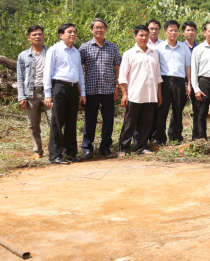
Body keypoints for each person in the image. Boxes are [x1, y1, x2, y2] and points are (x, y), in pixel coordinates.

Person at [43, 23, 86, 164]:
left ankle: (70, 153)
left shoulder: (76, 52)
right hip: (59, 87)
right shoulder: (54, 50)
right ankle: (55, 154)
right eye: (69, 32)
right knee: (57, 122)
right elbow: (47, 73)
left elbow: (80, 73)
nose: (73, 34)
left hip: (73, 89)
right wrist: (48, 94)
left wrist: (82, 93)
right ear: (61, 35)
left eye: (74, 32)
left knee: (71, 121)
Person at [79, 18, 122, 159]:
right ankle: (87, 148)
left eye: (101, 27)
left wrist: (117, 87)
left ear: (106, 29)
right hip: (91, 90)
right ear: (91, 30)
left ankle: (105, 147)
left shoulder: (113, 47)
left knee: (108, 120)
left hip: (109, 89)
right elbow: (79, 69)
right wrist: (81, 91)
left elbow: (117, 68)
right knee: (90, 120)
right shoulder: (84, 48)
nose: (99, 29)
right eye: (96, 27)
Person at [118, 25, 162, 155]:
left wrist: (159, 94)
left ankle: (141, 147)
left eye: (146, 35)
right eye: (141, 35)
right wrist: (124, 95)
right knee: (129, 123)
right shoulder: (129, 54)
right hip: (134, 95)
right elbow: (122, 77)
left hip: (150, 95)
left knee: (146, 123)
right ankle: (123, 148)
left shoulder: (154, 53)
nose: (144, 38)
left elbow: (158, 76)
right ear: (135, 36)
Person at [154, 20, 192, 145]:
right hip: (164, 81)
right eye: (171, 30)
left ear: (179, 32)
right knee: (162, 111)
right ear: (165, 32)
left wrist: (189, 84)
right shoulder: (158, 48)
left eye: (175, 30)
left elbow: (188, 66)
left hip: (180, 82)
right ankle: (160, 138)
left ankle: (176, 137)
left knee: (178, 111)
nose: (173, 32)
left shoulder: (184, 48)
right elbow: (156, 68)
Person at [17, 25, 51, 160]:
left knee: (54, 121)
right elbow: (20, 77)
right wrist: (22, 96)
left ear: (43, 36)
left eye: (40, 34)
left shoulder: (50, 52)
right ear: (29, 37)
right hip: (32, 94)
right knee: (33, 124)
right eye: (34, 34)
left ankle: (55, 150)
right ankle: (37, 151)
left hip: (49, 93)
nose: (37, 36)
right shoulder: (23, 56)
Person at [182, 20, 200, 140]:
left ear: (196, 32)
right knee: (178, 109)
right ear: (183, 32)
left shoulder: (200, 48)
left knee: (198, 109)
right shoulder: (180, 47)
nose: (190, 32)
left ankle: (197, 135)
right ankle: (175, 136)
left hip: (197, 82)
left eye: (192, 30)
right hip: (182, 81)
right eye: (188, 30)